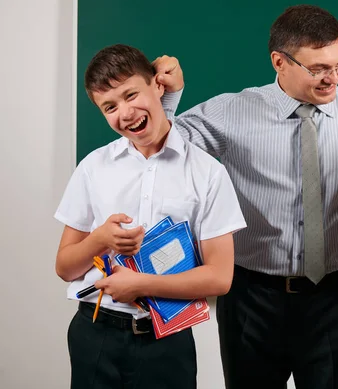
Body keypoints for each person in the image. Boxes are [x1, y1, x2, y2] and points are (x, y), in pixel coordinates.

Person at [153, 4, 338, 389]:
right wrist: (169, 98)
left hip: (336, 300)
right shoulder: (232, 111)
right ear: (279, 61)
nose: (332, 78)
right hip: (251, 300)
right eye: (317, 68)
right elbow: (159, 151)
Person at [54, 44, 246, 389]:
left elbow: (220, 278)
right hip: (94, 332)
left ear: (159, 87)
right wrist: (99, 239)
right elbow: (65, 267)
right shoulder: (93, 168)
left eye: (131, 95)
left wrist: (140, 285)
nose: (125, 113)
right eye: (109, 107)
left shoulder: (207, 174)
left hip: (167, 341)